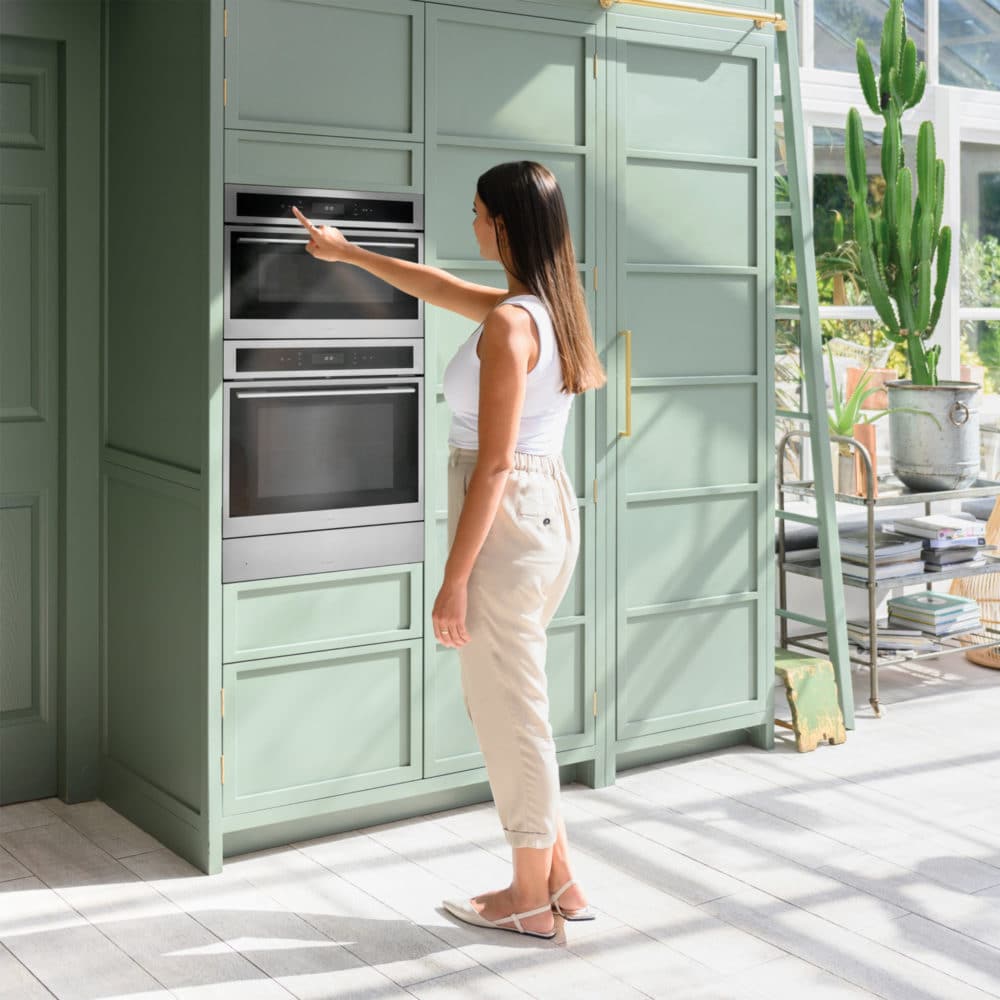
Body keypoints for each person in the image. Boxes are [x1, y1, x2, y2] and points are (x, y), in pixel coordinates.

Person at [293, 160, 605, 940]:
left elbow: (494, 464)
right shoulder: (542, 306)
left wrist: (452, 581)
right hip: (547, 511)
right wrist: (350, 253)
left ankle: (528, 898)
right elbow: (433, 284)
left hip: (505, 512)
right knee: (512, 697)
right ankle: (560, 878)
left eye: (475, 212)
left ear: (502, 222)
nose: (469, 224)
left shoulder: (509, 323)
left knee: (509, 708)